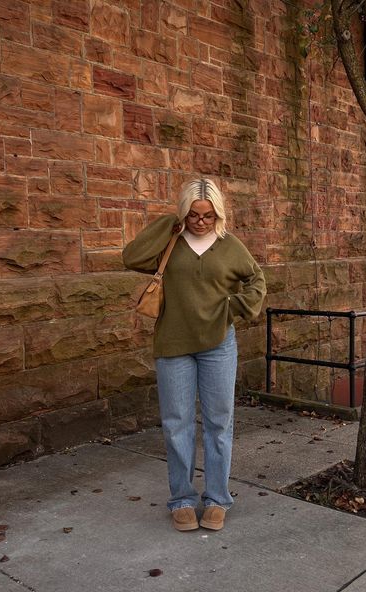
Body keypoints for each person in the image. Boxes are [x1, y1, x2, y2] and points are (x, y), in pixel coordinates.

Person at [122, 178, 266, 532]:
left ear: (218, 213)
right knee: (177, 425)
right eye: (193, 214)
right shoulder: (170, 241)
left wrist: (234, 309)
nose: (200, 221)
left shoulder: (230, 246)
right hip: (173, 344)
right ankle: (182, 499)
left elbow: (256, 280)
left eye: (208, 215)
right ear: (184, 212)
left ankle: (217, 498)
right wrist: (168, 224)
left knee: (219, 424)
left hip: (219, 344)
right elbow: (131, 257)